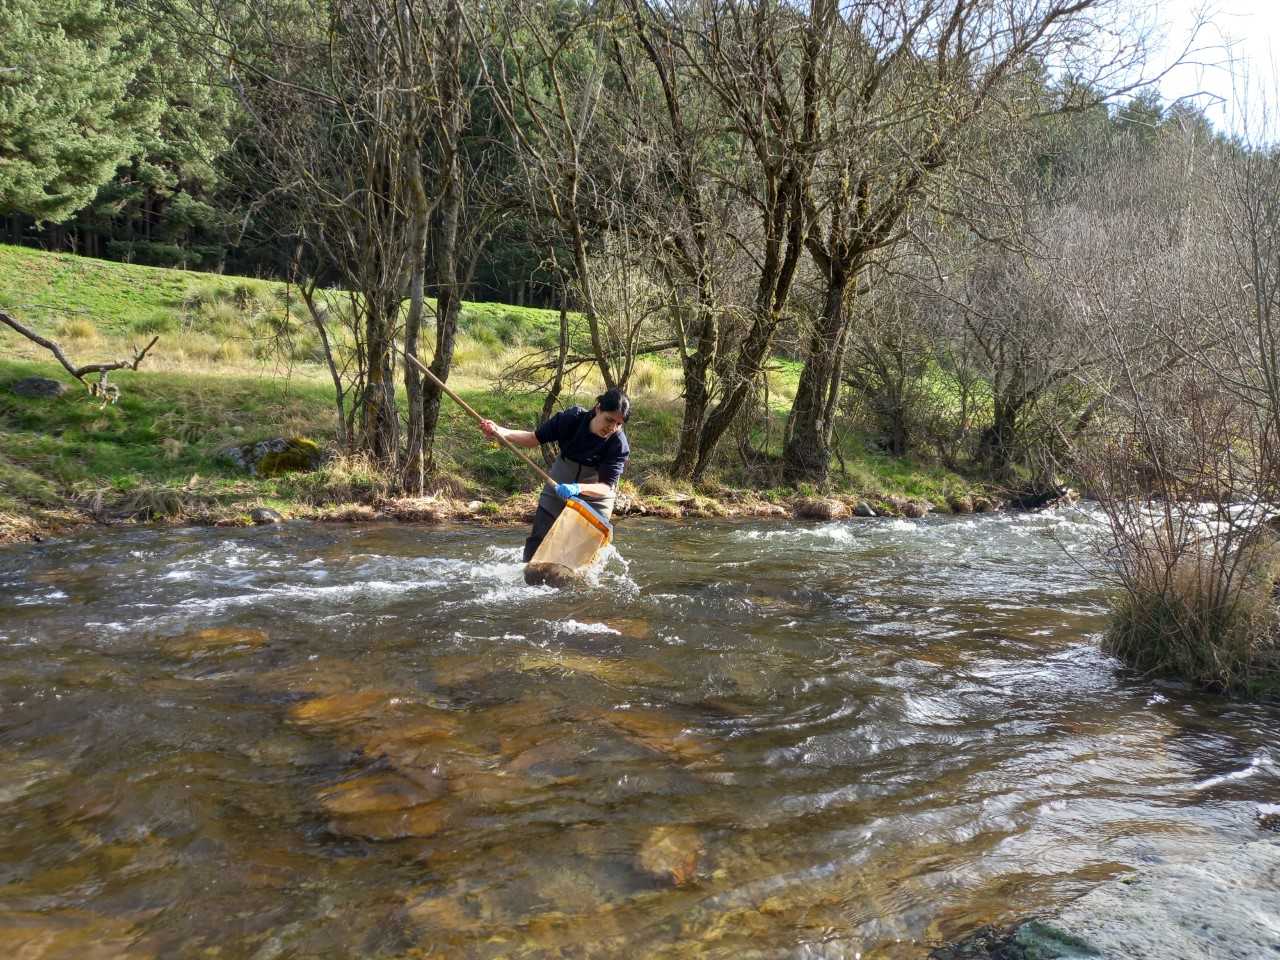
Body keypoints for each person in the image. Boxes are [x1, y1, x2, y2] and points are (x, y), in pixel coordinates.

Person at [479, 389, 631, 562]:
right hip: (559, 483)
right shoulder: (571, 419)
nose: (611, 427)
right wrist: (500, 430)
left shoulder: (618, 444)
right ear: (598, 408)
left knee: (579, 558)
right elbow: (532, 439)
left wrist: (577, 488)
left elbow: (604, 487)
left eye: (618, 424)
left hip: (596, 497)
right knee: (537, 546)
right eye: (609, 419)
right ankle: (530, 582)